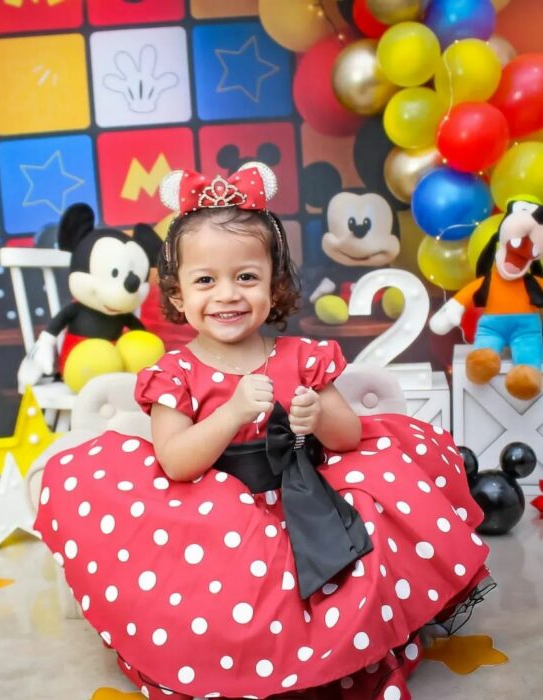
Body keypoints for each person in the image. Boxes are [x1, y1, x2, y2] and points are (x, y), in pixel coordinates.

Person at [34, 163, 491, 700]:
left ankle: (337, 649)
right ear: (177, 295)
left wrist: (315, 414)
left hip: (309, 491)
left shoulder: (299, 356)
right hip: (217, 504)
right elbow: (177, 461)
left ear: (273, 288)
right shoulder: (173, 373)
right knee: (229, 586)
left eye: (245, 277)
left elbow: (348, 438)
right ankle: (241, 662)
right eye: (205, 280)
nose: (227, 294)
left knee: (375, 508)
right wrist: (229, 414)